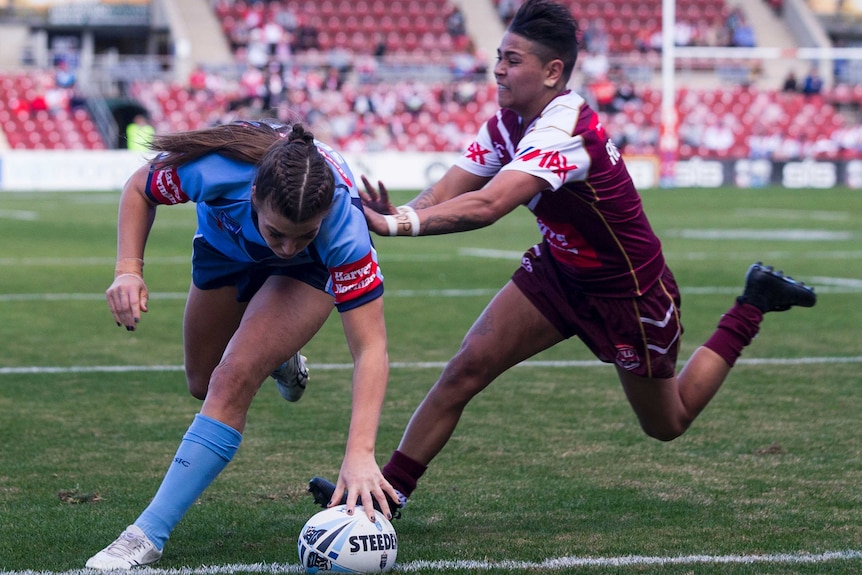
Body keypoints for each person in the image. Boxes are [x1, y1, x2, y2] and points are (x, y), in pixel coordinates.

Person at [307, 0, 817, 518]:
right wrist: (398, 211)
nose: (498, 69)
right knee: (464, 370)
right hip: (559, 272)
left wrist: (397, 224)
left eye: (513, 60)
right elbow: (442, 196)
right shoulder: (506, 125)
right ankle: (385, 497)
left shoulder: (567, 129)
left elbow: (489, 205)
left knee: (668, 422)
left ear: (553, 72)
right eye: (499, 57)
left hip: (629, 291)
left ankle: (753, 302)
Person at [86, 120, 400, 569]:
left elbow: (371, 348)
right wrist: (128, 268)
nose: (289, 246)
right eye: (278, 233)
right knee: (202, 379)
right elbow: (141, 187)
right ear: (253, 196)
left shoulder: (342, 227)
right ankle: (280, 355)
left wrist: (360, 454)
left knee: (232, 379)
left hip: (306, 278)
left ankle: (146, 534)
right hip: (224, 250)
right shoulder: (217, 170)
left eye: (304, 234)